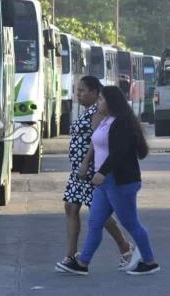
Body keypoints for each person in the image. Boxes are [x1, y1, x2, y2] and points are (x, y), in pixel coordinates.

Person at [67, 86, 160, 276]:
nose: (98, 102)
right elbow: (98, 144)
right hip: (104, 183)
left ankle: (150, 261)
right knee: (95, 221)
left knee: (130, 222)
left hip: (120, 181)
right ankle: (82, 263)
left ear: (111, 102)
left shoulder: (121, 123)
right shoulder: (106, 121)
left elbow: (119, 152)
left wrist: (102, 172)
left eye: (101, 99)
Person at [56, 76, 136, 274]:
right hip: (78, 172)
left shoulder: (98, 113)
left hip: (90, 171)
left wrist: (86, 164)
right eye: (77, 90)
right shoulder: (87, 111)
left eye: (82, 90)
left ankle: (125, 247)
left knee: (99, 214)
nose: (78, 94)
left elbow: (96, 141)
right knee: (71, 207)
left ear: (94, 92)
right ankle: (70, 255)